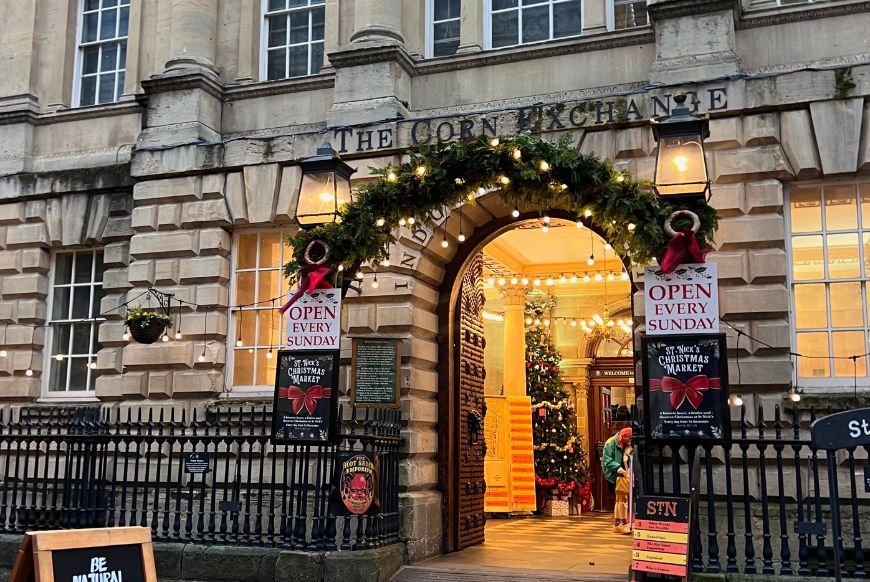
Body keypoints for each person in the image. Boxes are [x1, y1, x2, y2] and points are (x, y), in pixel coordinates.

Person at [602, 427, 633, 534]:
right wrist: (619, 468)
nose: (630, 441)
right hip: (613, 474)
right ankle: (623, 524)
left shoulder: (627, 445)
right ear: (623, 436)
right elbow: (607, 460)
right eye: (629, 439)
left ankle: (616, 524)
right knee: (622, 499)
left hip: (625, 474)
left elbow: (631, 457)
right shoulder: (610, 443)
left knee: (620, 499)